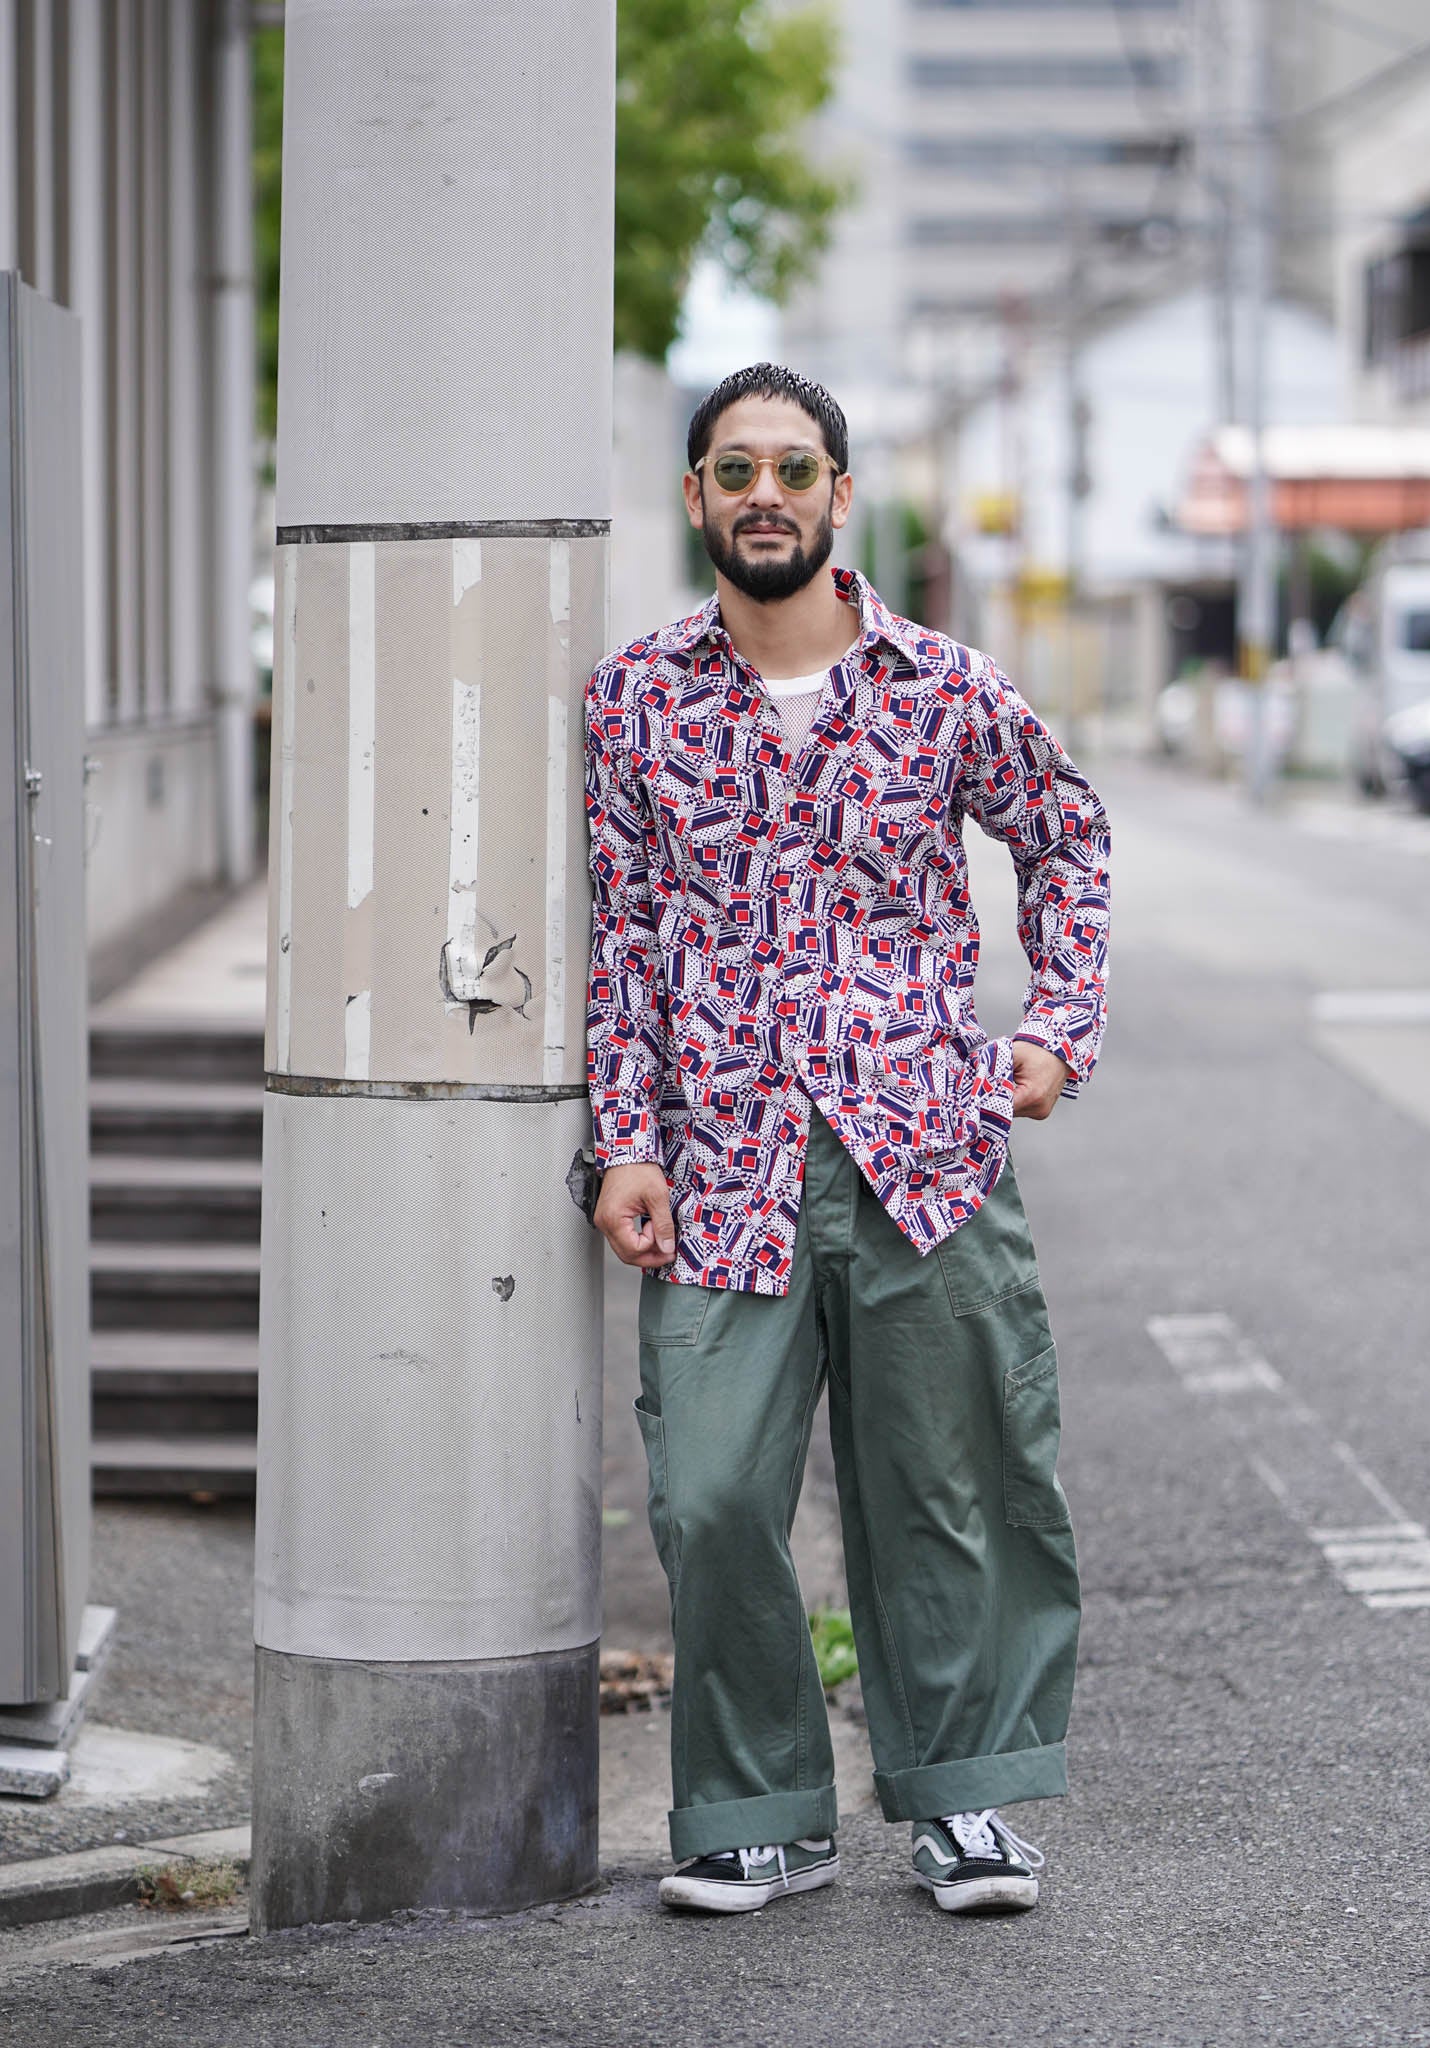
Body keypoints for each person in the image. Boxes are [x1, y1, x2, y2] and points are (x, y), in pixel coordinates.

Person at [584, 363, 1110, 1917]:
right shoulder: (633, 700)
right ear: (695, 499)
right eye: (734, 469)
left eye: (793, 469)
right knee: (709, 1494)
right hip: (719, 1161)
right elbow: (618, 940)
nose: (765, 494)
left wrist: (1051, 1030)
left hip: (922, 1155)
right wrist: (626, 1142)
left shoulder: (943, 686)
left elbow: (1064, 835)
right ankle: (758, 1808)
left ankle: (966, 1803)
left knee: (946, 1483)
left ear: (836, 495)